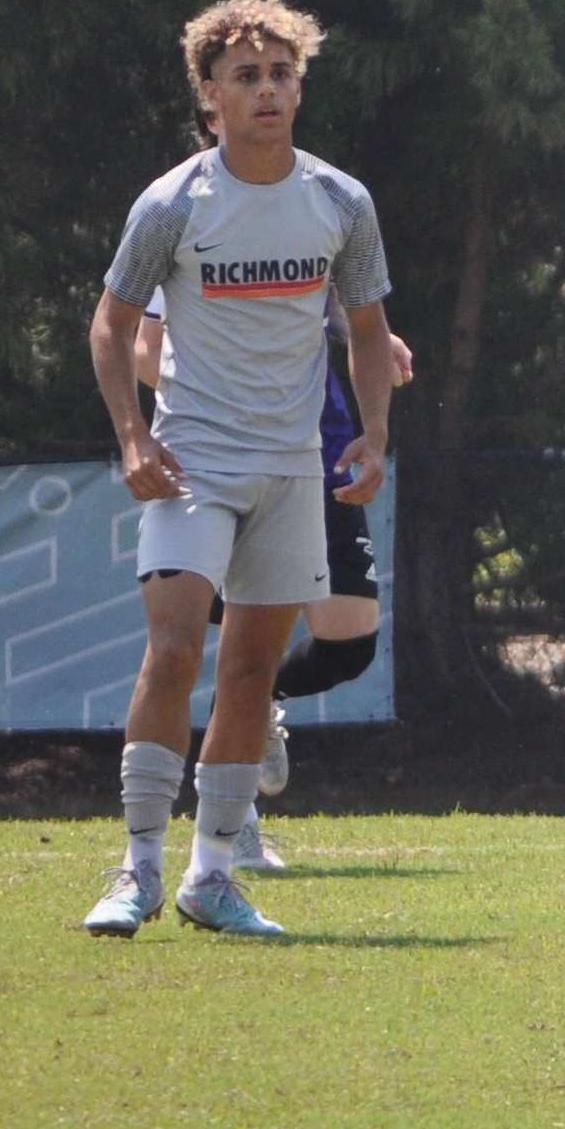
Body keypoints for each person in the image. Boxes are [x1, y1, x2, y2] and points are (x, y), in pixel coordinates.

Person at [83, 0, 401, 941]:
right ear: (210, 95)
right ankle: (136, 868)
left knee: (254, 671)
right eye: (246, 76)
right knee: (176, 648)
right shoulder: (175, 201)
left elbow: (372, 330)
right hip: (196, 463)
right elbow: (110, 325)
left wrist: (374, 435)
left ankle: (211, 876)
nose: (267, 90)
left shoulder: (341, 200)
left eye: (281, 73)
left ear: (299, 86)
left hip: (293, 468)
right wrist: (135, 439)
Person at [133, 294, 416, 873]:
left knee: (350, 641)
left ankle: (261, 707)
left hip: (316, 452)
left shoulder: (321, 208)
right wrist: (217, 399)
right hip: (217, 459)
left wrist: (364, 336)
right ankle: (222, 834)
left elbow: (330, 303)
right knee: (199, 644)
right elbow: (141, 342)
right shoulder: (187, 212)